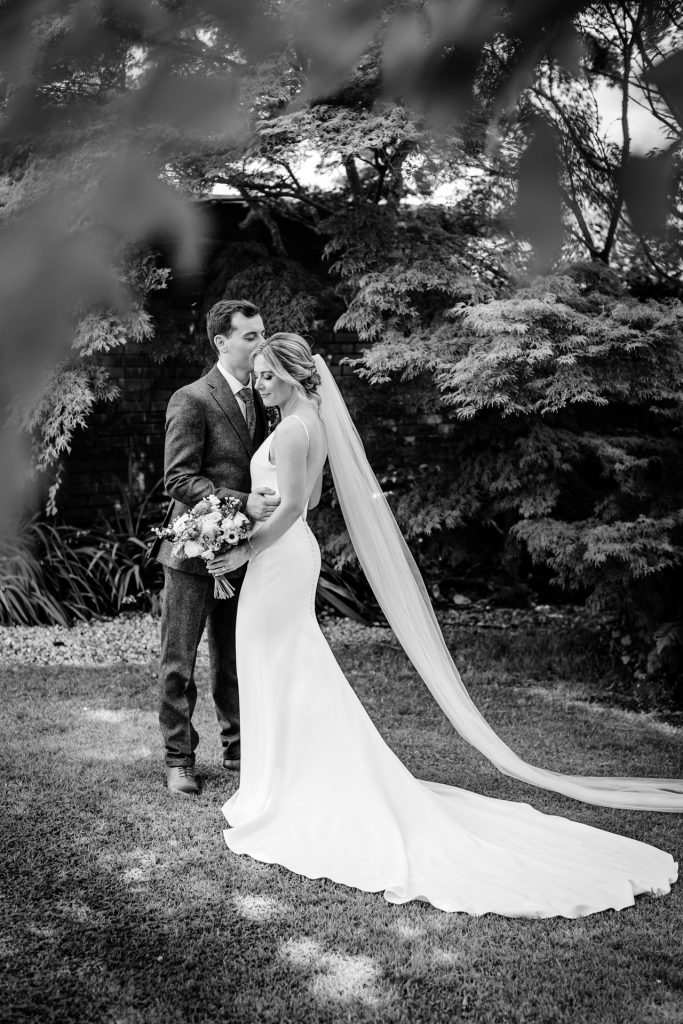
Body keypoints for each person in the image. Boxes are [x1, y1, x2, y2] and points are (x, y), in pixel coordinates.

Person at [207, 332, 679, 917]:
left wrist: (241, 550)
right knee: (281, 664)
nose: (258, 383)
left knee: (282, 662)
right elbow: (300, 501)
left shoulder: (299, 426)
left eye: (267, 374)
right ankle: (276, 778)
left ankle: (287, 787)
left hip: (276, 559)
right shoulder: (305, 422)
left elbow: (295, 508)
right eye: (255, 374)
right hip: (281, 557)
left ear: (296, 376)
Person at [151, 299, 280, 796]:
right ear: (221, 342)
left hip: (241, 552)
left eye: (262, 333)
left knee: (233, 658)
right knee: (178, 662)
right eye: (250, 336)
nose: (259, 344)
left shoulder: (267, 400)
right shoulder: (191, 398)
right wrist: (240, 501)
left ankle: (238, 748)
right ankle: (179, 759)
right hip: (190, 552)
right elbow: (178, 478)